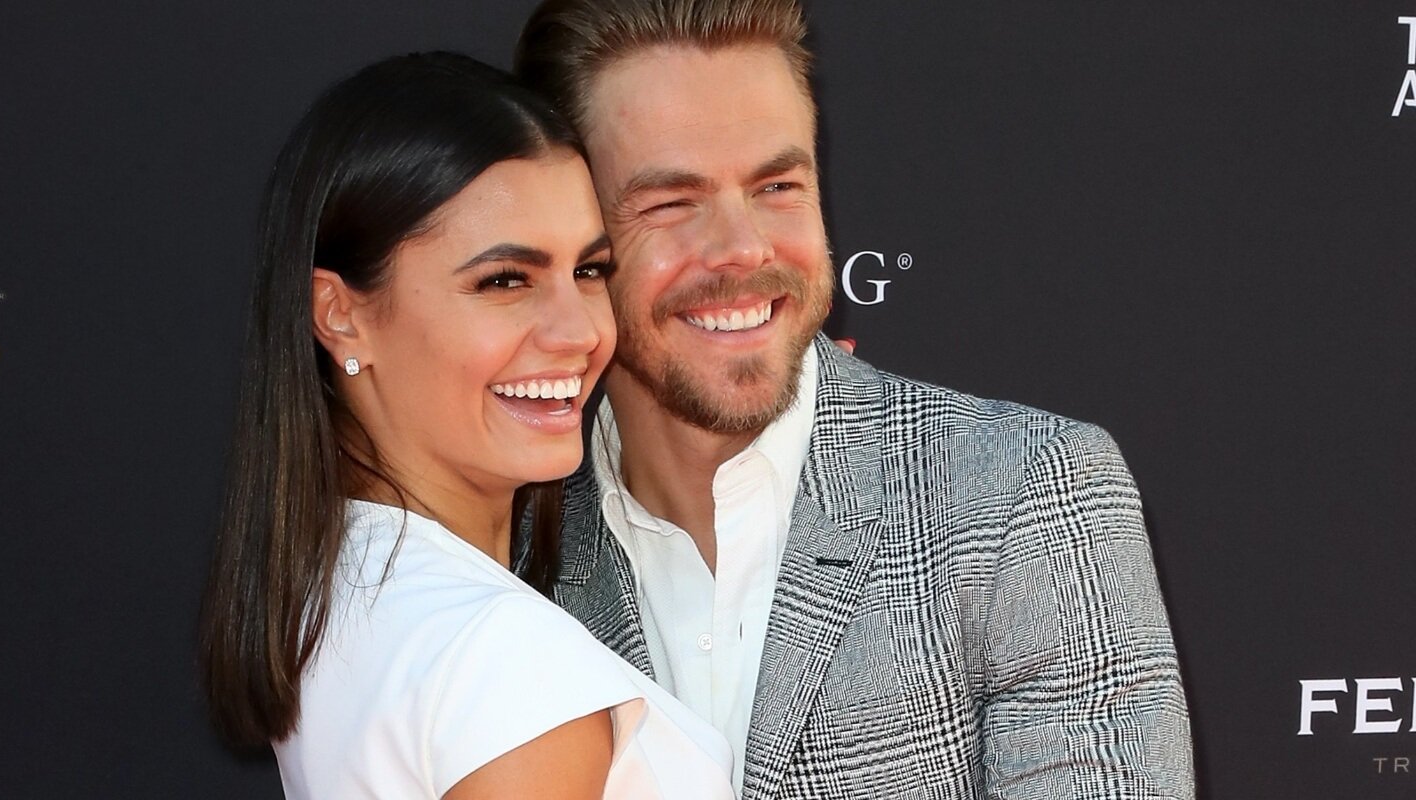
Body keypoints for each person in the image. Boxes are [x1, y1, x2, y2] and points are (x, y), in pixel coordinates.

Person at [515, 1, 1196, 798]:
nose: (742, 246)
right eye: (671, 202)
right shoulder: (508, 540)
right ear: (568, 232)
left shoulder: (1025, 497)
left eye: (777, 185)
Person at [196, 52, 734, 799]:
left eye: (589, 270)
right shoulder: (503, 663)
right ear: (340, 315)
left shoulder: (340, 591)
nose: (579, 331)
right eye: (504, 281)